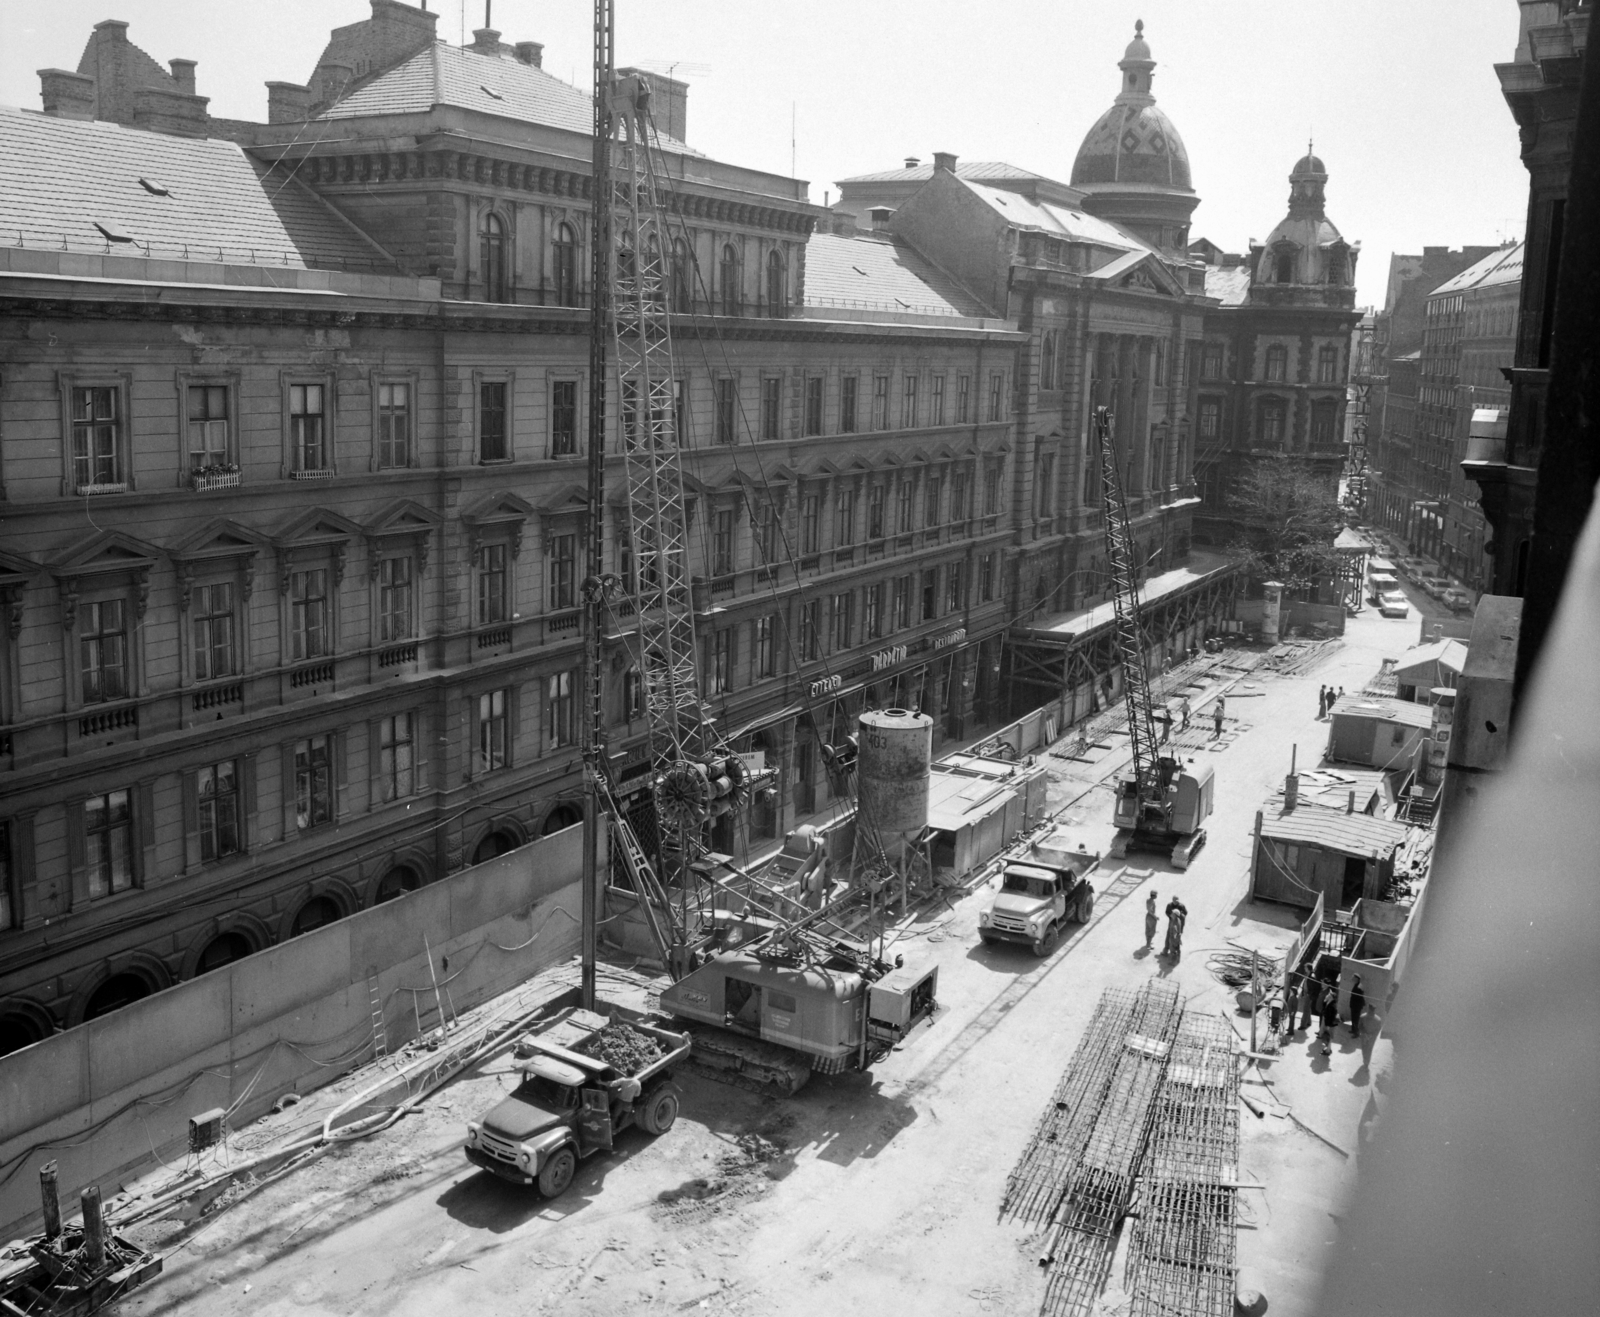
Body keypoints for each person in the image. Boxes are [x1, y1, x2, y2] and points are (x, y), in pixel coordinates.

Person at [1319, 984, 1341, 1055]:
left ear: (1331, 997)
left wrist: (1328, 1025)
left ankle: (1327, 1051)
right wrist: (1325, 1000)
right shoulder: (1329, 1002)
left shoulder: (1332, 1006)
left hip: (1330, 1025)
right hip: (1329, 1024)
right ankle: (1328, 1049)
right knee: (1329, 1038)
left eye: (1329, 994)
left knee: (1329, 1038)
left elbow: (1331, 1017)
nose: (1328, 995)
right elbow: (1324, 1006)